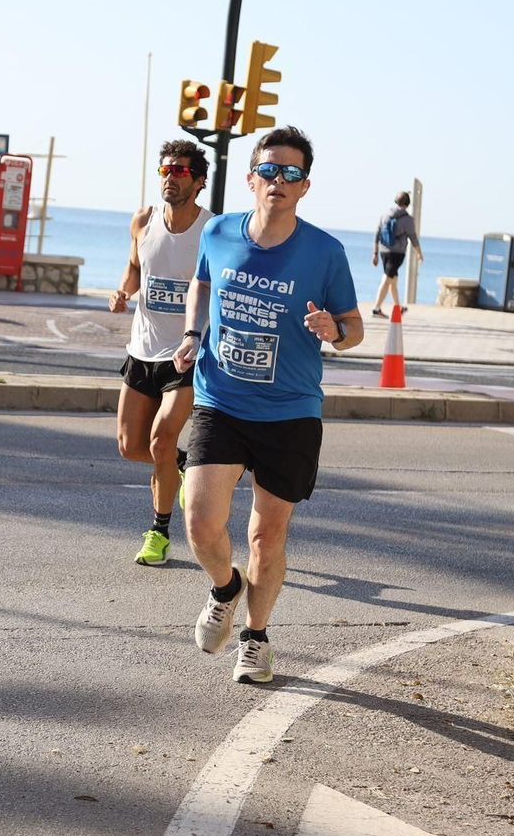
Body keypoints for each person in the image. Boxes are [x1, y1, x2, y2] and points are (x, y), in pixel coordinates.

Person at [171, 126, 361, 684]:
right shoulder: (221, 232)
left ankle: (255, 639)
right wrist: (191, 332)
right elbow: (201, 285)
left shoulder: (326, 252)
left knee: (265, 537)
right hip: (220, 397)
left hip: (290, 411)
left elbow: (354, 329)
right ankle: (225, 589)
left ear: (304, 187)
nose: (279, 181)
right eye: (270, 170)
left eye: (292, 173)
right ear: (252, 178)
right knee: (201, 521)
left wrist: (334, 330)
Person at [108, 142, 211, 566]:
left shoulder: (211, 230)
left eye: (182, 171)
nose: (171, 176)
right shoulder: (143, 220)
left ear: (199, 181)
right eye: (166, 169)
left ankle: (159, 532)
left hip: (186, 355)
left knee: (160, 438)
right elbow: (135, 269)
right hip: (142, 350)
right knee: (132, 447)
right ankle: (187, 463)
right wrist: (122, 292)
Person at [370, 191, 421, 318]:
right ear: (407, 204)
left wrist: (375, 253)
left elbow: (377, 234)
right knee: (388, 278)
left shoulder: (385, 215)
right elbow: (413, 238)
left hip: (383, 251)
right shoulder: (408, 219)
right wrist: (419, 253)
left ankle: (398, 308)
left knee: (393, 280)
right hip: (397, 253)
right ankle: (376, 308)